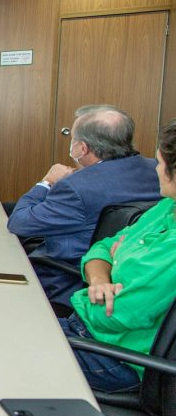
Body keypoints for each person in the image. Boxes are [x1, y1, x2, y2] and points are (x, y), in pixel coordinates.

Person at [60, 119, 176, 393]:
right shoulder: (167, 208)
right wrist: (100, 279)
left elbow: (114, 316)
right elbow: (102, 247)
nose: (155, 170)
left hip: (116, 358)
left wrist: (85, 293)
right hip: (90, 332)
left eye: (159, 163)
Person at [7, 105, 159, 307]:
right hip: (130, 276)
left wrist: (47, 182)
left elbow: (19, 223)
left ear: (82, 148)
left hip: (67, 282)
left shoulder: (76, 187)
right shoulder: (159, 171)